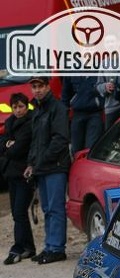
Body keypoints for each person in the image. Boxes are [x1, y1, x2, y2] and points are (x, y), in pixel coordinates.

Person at [24, 76, 71, 265]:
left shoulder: (57, 108)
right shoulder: (37, 109)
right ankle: (50, 246)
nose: (37, 90)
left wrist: (40, 162)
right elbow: (35, 142)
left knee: (55, 208)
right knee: (47, 209)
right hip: (42, 167)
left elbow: (60, 139)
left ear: (47, 86)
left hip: (55, 166)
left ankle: (57, 248)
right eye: (34, 87)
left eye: (40, 86)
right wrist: (30, 163)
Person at [0, 93, 36, 265]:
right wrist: (8, 144)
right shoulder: (9, 122)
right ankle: (28, 247)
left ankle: (18, 247)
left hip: (24, 174)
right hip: (11, 173)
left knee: (20, 212)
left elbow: (19, 148)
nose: (18, 110)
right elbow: (2, 144)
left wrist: (9, 145)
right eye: (15, 107)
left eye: (21, 106)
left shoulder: (29, 123)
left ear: (26, 106)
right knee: (17, 213)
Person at [59, 75, 103, 154]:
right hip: (77, 114)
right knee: (76, 149)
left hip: (95, 114)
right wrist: (63, 115)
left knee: (91, 149)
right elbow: (65, 93)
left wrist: (101, 103)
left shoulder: (99, 69)